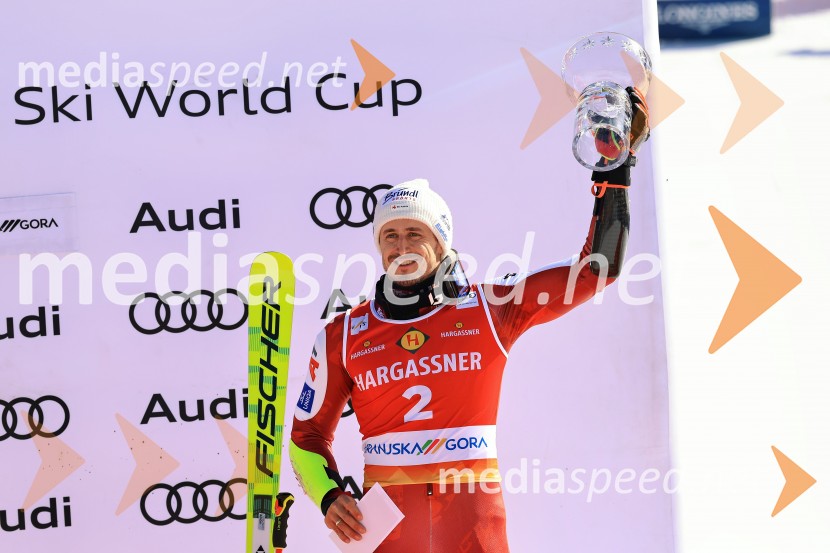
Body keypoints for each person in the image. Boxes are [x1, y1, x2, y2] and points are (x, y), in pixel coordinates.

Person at [289, 88, 650, 552]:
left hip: (474, 532)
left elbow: (597, 269)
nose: (400, 247)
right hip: (387, 536)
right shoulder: (343, 335)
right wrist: (329, 495)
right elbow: (306, 438)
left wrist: (615, 172)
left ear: (441, 242)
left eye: (414, 233)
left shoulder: (491, 309)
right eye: (390, 236)